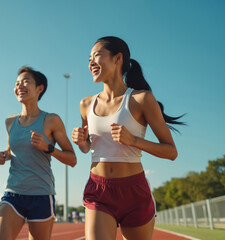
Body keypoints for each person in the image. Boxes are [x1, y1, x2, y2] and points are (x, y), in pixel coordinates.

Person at [72, 36, 184, 240]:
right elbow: (88, 148)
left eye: (96, 56)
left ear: (117, 58)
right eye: (88, 59)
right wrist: (82, 142)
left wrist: (134, 141)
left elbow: (171, 152)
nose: (90, 63)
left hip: (135, 192)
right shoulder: (86, 104)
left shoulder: (141, 99)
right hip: (99, 190)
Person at [0, 66, 77, 240]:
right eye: (17, 83)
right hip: (13, 193)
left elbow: (72, 159)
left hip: (41, 195)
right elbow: (11, 150)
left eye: (25, 82)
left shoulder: (51, 120)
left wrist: (49, 148)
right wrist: (4, 156)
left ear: (40, 88)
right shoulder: (10, 122)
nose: (19, 86)